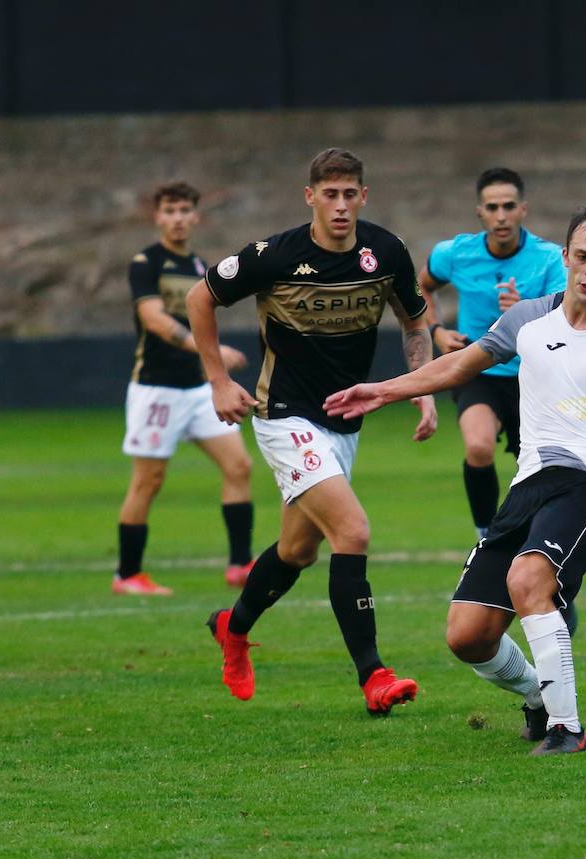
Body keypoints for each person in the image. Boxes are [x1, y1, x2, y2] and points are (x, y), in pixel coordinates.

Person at [325, 203, 586, 755]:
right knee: (468, 636)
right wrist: (384, 390)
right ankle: (538, 696)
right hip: (529, 483)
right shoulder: (529, 319)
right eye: (582, 256)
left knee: (529, 581)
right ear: (566, 257)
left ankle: (567, 728)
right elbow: (459, 366)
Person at [186, 148, 438, 716]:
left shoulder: (387, 251)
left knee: (298, 551)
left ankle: (232, 626)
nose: (341, 206)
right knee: (352, 531)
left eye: (351, 194)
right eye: (330, 194)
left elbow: (415, 320)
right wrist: (218, 380)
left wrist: (419, 388)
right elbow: (199, 296)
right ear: (310, 198)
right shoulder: (275, 255)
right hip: (284, 417)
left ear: (364, 197)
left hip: (344, 420)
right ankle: (374, 675)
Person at [114, 181, 254, 597]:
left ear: (196, 216)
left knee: (239, 467)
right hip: (156, 390)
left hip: (197, 389)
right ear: (157, 216)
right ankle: (127, 575)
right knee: (148, 482)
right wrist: (212, 350)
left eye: (184, 210)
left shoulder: (198, 266)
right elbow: (155, 320)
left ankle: (240, 565)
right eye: (169, 211)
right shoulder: (146, 263)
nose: (177, 218)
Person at [419, 167, 567, 541]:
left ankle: (541, 549)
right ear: (480, 213)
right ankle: (486, 536)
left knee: (536, 469)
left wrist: (525, 310)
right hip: (479, 369)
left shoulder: (549, 258)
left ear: (523, 210)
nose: (501, 216)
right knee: (479, 445)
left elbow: (569, 319)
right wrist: (436, 331)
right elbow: (420, 287)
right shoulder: (455, 253)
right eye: (492, 207)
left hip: (534, 377)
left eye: (509, 206)